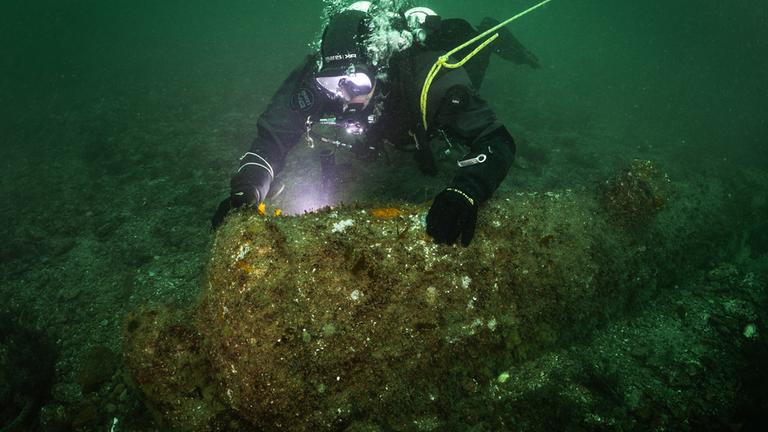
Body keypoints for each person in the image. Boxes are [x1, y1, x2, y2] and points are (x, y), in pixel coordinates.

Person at [211, 1, 539, 246]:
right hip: (384, 129)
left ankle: (491, 34)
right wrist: (247, 189)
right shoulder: (313, 80)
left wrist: (466, 192)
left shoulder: (430, 80)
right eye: (333, 81)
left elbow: (496, 141)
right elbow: (272, 138)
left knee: (473, 62)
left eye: (355, 82)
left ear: (380, 70)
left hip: (421, 102)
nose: (344, 95)